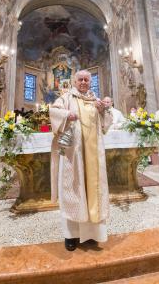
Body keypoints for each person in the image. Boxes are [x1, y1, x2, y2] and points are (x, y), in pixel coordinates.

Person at [49, 70, 112, 251]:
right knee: (73, 189)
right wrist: (66, 115)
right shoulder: (66, 97)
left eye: (87, 79)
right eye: (80, 79)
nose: (83, 82)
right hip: (73, 154)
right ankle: (71, 235)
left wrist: (103, 111)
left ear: (90, 82)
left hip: (93, 155)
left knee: (93, 189)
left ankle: (93, 234)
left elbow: (106, 123)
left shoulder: (96, 100)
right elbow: (53, 110)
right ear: (74, 81)